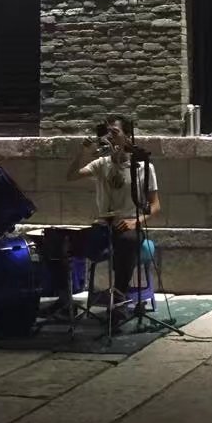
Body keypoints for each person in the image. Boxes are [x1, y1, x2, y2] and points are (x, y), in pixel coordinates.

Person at [66, 114, 160, 313]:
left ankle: (119, 298)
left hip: (128, 225)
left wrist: (136, 222)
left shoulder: (143, 167)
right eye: (107, 133)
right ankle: (64, 299)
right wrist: (83, 152)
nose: (110, 137)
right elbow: (71, 176)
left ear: (128, 136)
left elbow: (155, 206)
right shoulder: (102, 164)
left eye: (115, 132)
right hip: (103, 225)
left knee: (126, 241)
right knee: (64, 241)